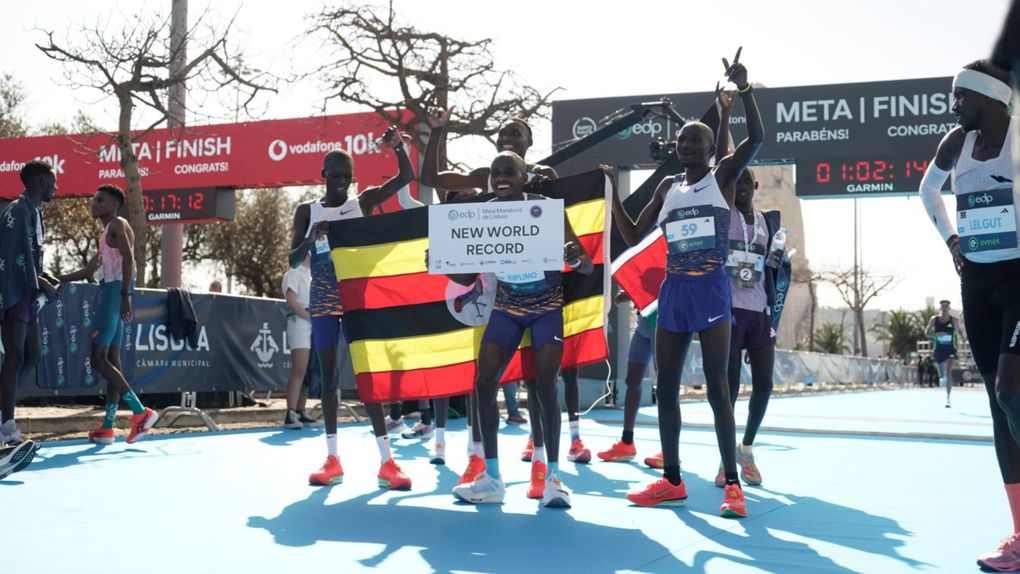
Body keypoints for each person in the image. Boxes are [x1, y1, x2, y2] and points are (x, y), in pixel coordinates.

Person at [615, 52, 763, 517]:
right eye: (682, 142)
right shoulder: (666, 189)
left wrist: (745, 92)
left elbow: (756, 139)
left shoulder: (723, 178)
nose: (688, 147)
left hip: (711, 290)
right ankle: (672, 480)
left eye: (696, 142)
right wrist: (610, 195)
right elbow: (635, 235)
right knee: (667, 386)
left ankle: (732, 485)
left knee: (718, 387)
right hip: (674, 294)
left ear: (708, 150)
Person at [422, 110, 559, 496]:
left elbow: (572, 215)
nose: (509, 139)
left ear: (530, 144)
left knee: (537, 381)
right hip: (492, 286)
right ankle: (480, 459)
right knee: (483, 378)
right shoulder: (489, 174)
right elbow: (433, 181)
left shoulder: (544, 179)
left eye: (517, 135)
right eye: (504, 134)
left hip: (539, 291)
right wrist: (437, 132)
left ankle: (540, 465)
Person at [446, 152, 594, 507]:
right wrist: (443, 264)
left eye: (509, 172)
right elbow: (467, 277)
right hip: (507, 309)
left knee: (545, 386)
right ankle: (493, 478)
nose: (500, 178)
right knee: (483, 383)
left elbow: (586, 265)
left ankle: (553, 479)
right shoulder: (485, 213)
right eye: (495, 173)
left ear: (524, 176)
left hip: (546, 309)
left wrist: (573, 258)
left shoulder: (545, 208)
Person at [918, 59, 1020, 571]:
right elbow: (927, 192)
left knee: (1010, 390)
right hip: (977, 283)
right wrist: (952, 239)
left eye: (960, 96)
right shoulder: (954, 145)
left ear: (989, 98)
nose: (953, 106)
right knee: (1001, 409)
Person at [291, 127, 414, 489]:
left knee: (369, 379)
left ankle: (388, 462)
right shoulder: (306, 211)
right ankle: (332, 459)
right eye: (335, 174)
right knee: (329, 380)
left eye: (347, 175)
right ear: (323, 175)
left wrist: (398, 147)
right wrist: (314, 237)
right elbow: (294, 258)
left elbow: (405, 177)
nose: (342, 180)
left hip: (359, 300)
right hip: (324, 301)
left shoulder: (362, 203)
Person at [56, 184, 158, 445]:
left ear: (114, 205)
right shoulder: (107, 233)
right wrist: (55, 278)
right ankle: (108, 427)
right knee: (112, 361)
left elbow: (129, 260)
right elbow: (88, 270)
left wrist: (125, 297)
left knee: (98, 359)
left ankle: (140, 412)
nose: (94, 204)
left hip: (114, 294)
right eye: (94, 200)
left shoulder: (117, 224)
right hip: (114, 292)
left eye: (100, 200)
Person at [0, 160, 54, 468]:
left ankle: (2, 411)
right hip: (16, 291)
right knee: (15, 357)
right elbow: (13, 256)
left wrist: (41, 282)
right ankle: (7, 425)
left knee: (32, 354)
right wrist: (40, 283)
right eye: (52, 183)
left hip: (29, 294)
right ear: (41, 184)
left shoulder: (34, 212)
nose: (56, 189)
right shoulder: (18, 211)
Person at [597, 292, 656, 463]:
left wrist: (631, 293)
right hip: (643, 322)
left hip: (663, 322)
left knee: (668, 386)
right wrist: (631, 294)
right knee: (632, 381)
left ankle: (670, 452)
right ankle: (627, 442)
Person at [280, 255, 322, 429]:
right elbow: (291, 301)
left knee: (307, 371)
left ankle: (300, 411)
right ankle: (290, 413)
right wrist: (309, 318)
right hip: (300, 324)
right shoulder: (294, 272)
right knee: (299, 369)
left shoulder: (312, 274)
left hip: (312, 323)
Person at [924, 299, 966, 408]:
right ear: (940, 308)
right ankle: (941, 378)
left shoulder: (954, 320)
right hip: (939, 348)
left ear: (949, 308)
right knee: (942, 375)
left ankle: (948, 398)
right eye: (943, 306)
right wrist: (936, 335)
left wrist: (962, 339)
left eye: (946, 306)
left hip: (950, 348)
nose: (944, 308)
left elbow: (961, 332)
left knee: (948, 371)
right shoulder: (934, 319)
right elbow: (926, 333)